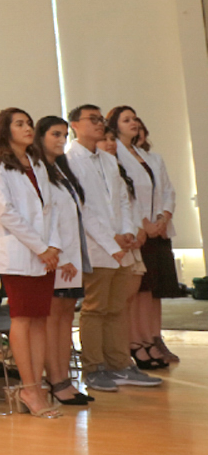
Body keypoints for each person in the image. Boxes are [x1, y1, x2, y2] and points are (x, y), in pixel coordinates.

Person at [66, 106, 160, 392]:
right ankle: (94, 368)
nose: (99, 124)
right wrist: (111, 241)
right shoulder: (70, 160)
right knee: (95, 309)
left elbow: (123, 200)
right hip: (97, 247)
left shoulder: (108, 160)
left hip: (121, 243)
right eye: (92, 119)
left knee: (117, 307)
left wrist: (129, 232)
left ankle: (119, 363)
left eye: (100, 120)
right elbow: (84, 209)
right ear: (74, 125)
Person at [0, 108, 62, 418]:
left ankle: (38, 385)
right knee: (24, 320)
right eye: (20, 124)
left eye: (29, 123)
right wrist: (41, 246)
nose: (28, 128)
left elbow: (50, 208)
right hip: (19, 255)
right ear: (5, 130)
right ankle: (28, 388)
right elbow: (6, 213)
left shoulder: (38, 164)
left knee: (41, 319)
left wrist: (53, 245)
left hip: (45, 255)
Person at [34, 115, 91, 406]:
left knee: (66, 320)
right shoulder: (37, 170)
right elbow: (47, 219)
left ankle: (64, 379)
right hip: (56, 259)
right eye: (55, 134)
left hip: (72, 258)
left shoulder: (61, 170)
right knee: (52, 320)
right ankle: (56, 380)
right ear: (40, 136)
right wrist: (63, 256)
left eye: (64, 135)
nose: (61, 140)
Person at [133, 119, 184, 364]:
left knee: (156, 290)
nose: (137, 130)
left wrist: (163, 217)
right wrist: (145, 224)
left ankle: (155, 336)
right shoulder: (122, 161)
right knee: (140, 291)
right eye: (130, 123)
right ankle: (140, 340)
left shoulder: (155, 159)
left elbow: (168, 192)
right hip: (141, 232)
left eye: (139, 125)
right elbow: (130, 200)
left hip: (160, 230)